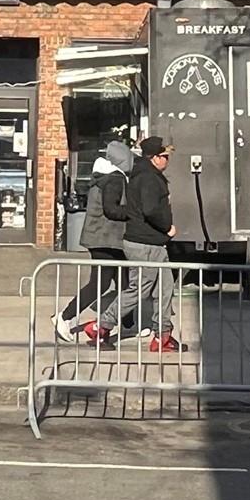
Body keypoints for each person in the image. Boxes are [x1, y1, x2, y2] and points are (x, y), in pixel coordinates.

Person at [106, 135, 186, 352]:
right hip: (145, 243)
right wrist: (167, 227)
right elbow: (150, 210)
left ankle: (162, 336)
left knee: (165, 289)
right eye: (165, 156)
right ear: (155, 158)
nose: (167, 160)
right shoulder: (148, 178)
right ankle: (101, 326)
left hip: (154, 243)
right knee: (139, 290)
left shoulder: (146, 175)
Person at [56, 139, 133, 343]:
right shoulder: (115, 179)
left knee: (124, 281)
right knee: (100, 284)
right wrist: (133, 212)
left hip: (104, 237)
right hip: (106, 238)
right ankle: (65, 317)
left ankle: (129, 322)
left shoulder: (102, 176)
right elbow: (111, 210)